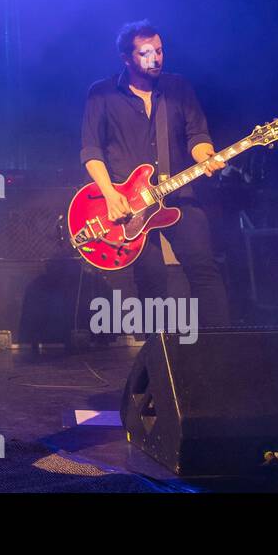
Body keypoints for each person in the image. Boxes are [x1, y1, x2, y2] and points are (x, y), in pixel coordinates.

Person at [79, 21, 231, 326]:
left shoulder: (178, 89)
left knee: (203, 269)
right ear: (127, 58)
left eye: (159, 51)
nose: (156, 58)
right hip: (128, 205)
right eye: (146, 53)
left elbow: (197, 135)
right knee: (151, 280)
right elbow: (91, 150)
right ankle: (160, 356)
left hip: (178, 196)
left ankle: (222, 350)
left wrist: (207, 156)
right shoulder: (102, 94)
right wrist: (110, 195)